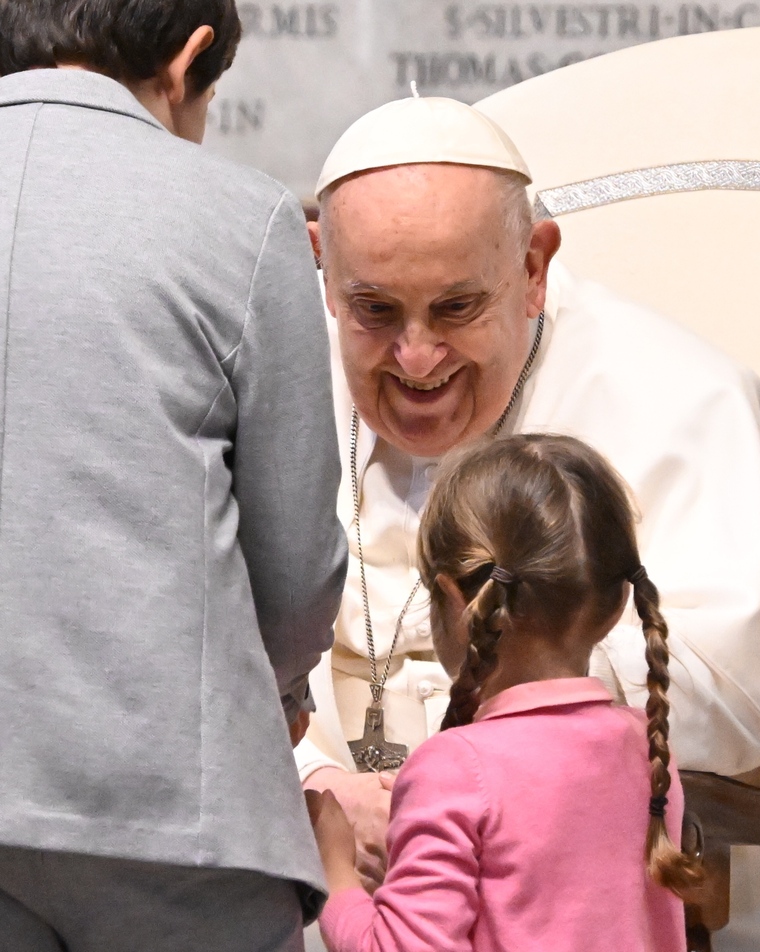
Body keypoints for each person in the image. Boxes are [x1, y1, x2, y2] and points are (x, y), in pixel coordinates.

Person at [297, 95, 760, 951]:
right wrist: (316, 784)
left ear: (535, 266)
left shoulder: (690, 401)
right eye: (373, 310)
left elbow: (740, 706)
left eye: (456, 308)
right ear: (323, 267)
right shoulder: (268, 380)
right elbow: (194, 640)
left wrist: (463, 793)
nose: (416, 360)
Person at [0, 2, 346, 950]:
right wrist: (274, 692)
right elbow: (296, 569)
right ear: (190, 60)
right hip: (165, 803)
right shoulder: (241, 216)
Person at [308, 433, 699, 952]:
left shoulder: (455, 772)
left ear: (452, 598)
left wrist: (334, 872)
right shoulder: (648, 750)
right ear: (617, 604)